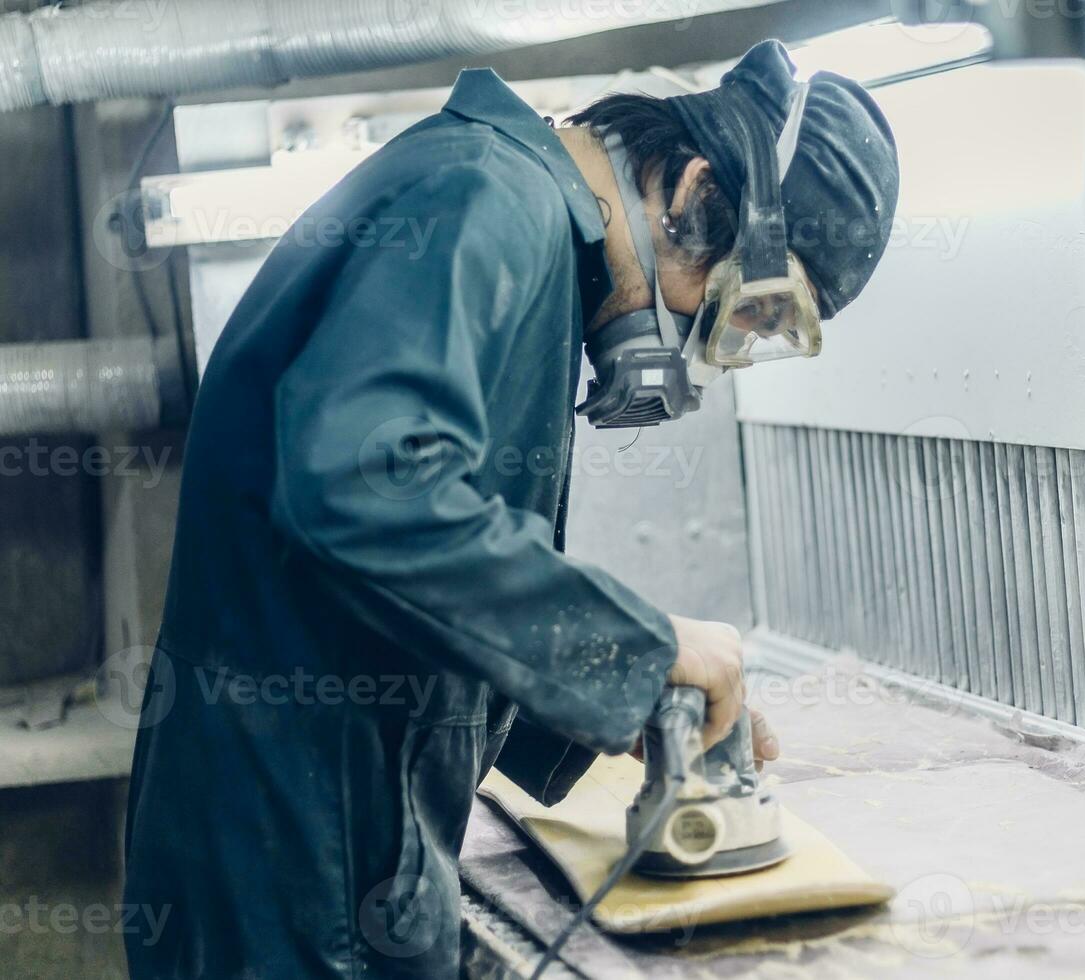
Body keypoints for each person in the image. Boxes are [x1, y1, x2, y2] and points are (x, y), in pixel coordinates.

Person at [123, 39, 899, 979]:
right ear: (692, 193)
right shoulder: (486, 202)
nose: (699, 348)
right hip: (295, 852)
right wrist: (642, 645)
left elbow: (409, 574)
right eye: (734, 308)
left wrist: (634, 698)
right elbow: (363, 492)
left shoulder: (501, 206)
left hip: (311, 828)